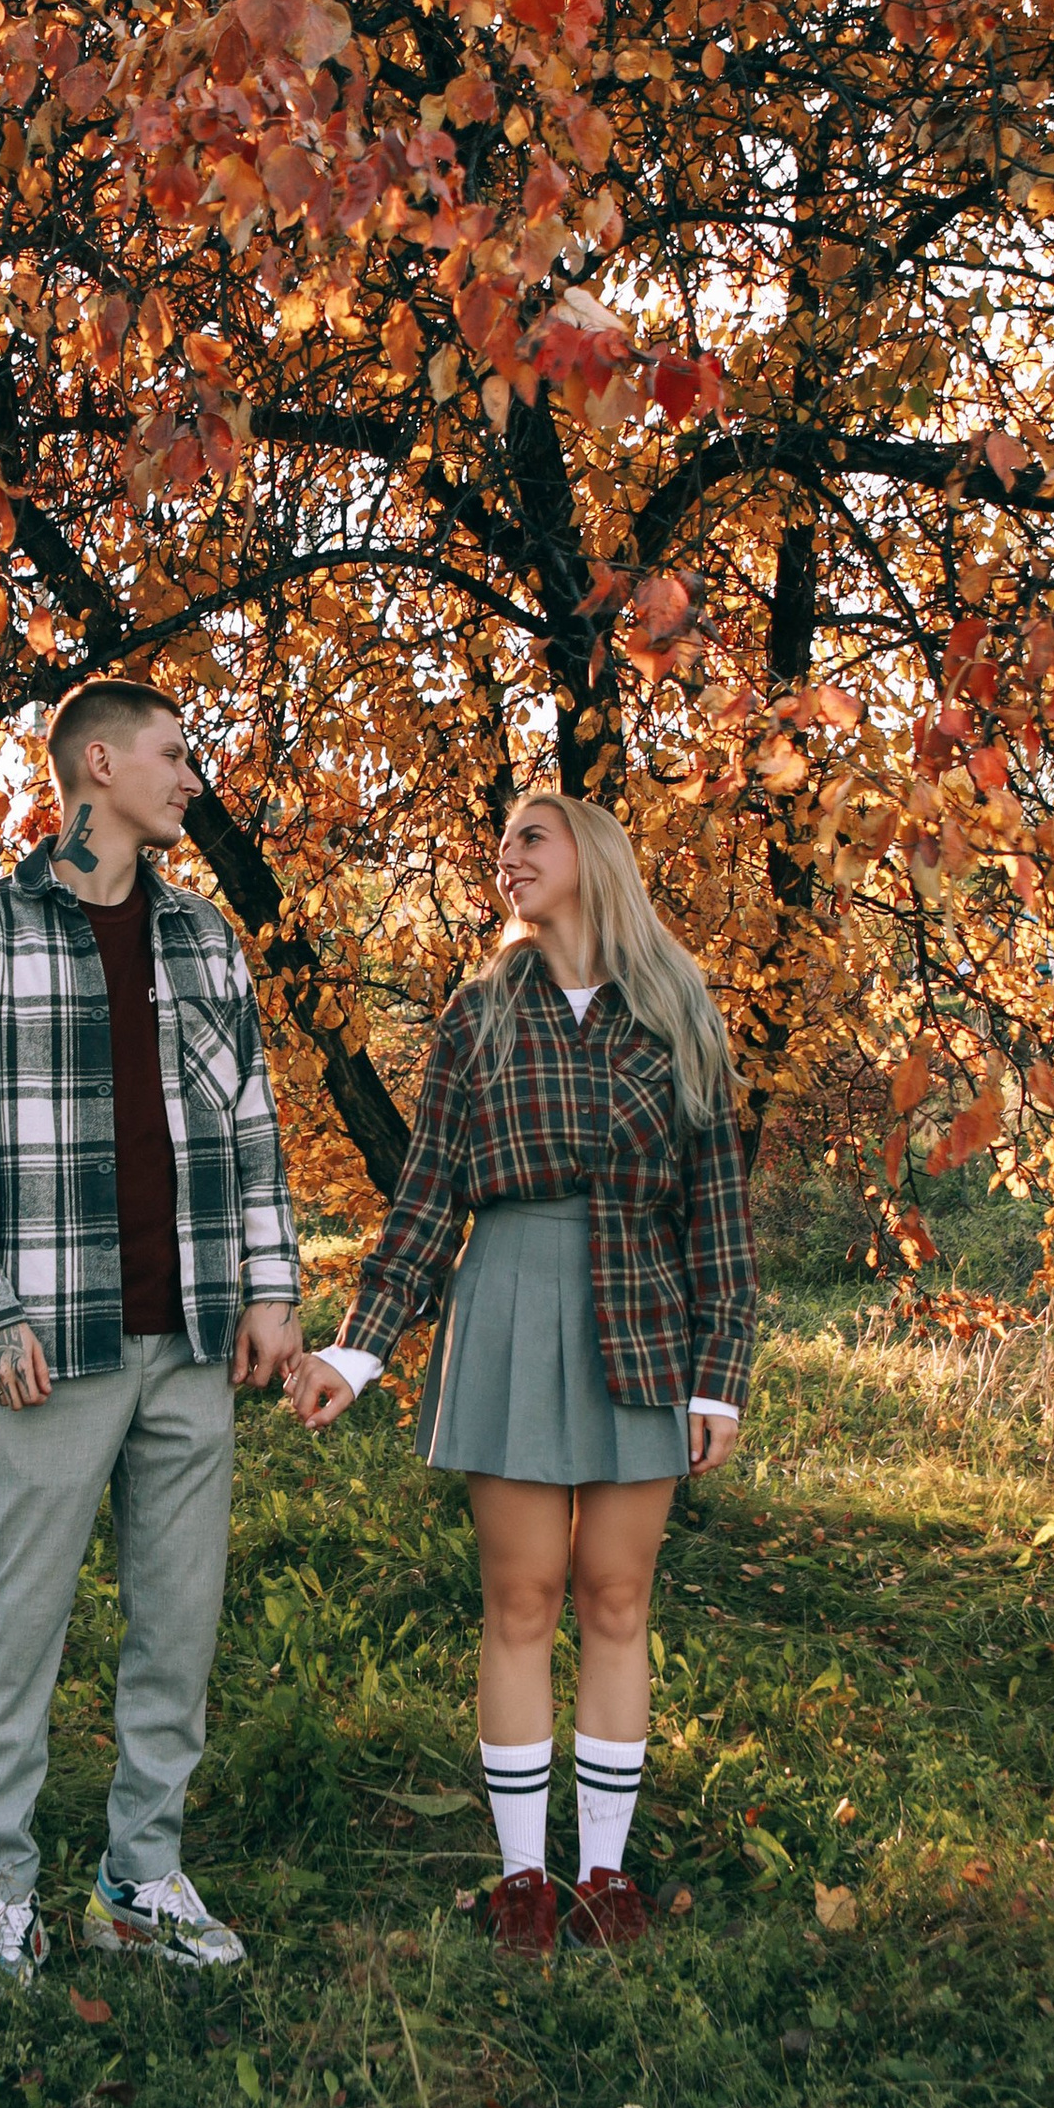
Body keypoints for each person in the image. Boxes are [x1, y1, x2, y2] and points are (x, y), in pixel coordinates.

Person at [287, 795, 753, 1955]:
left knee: (616, 1598)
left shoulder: (678, 1012)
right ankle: (523, 1882)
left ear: (592, 857)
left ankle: (604, 1872)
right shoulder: (480, 1012)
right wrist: (359, 1344)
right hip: (501, 1305)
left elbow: (720, 1219)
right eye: (500, 843)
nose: (508, 857)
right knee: (522, 1599)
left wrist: (720, 1375)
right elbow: (428, 1193)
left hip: (642, 1312)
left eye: (529, 839)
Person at [0, 680, 303, 1987]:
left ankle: (139, 1879)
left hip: (191, 1337)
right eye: (173, 755)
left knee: (178, 1628)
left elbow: (250, 1128)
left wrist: (271, 1287)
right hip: (50, 1349)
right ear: (97, 764)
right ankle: (0, 1893)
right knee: (17, 1629)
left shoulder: (203, 941)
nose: (191, 780)